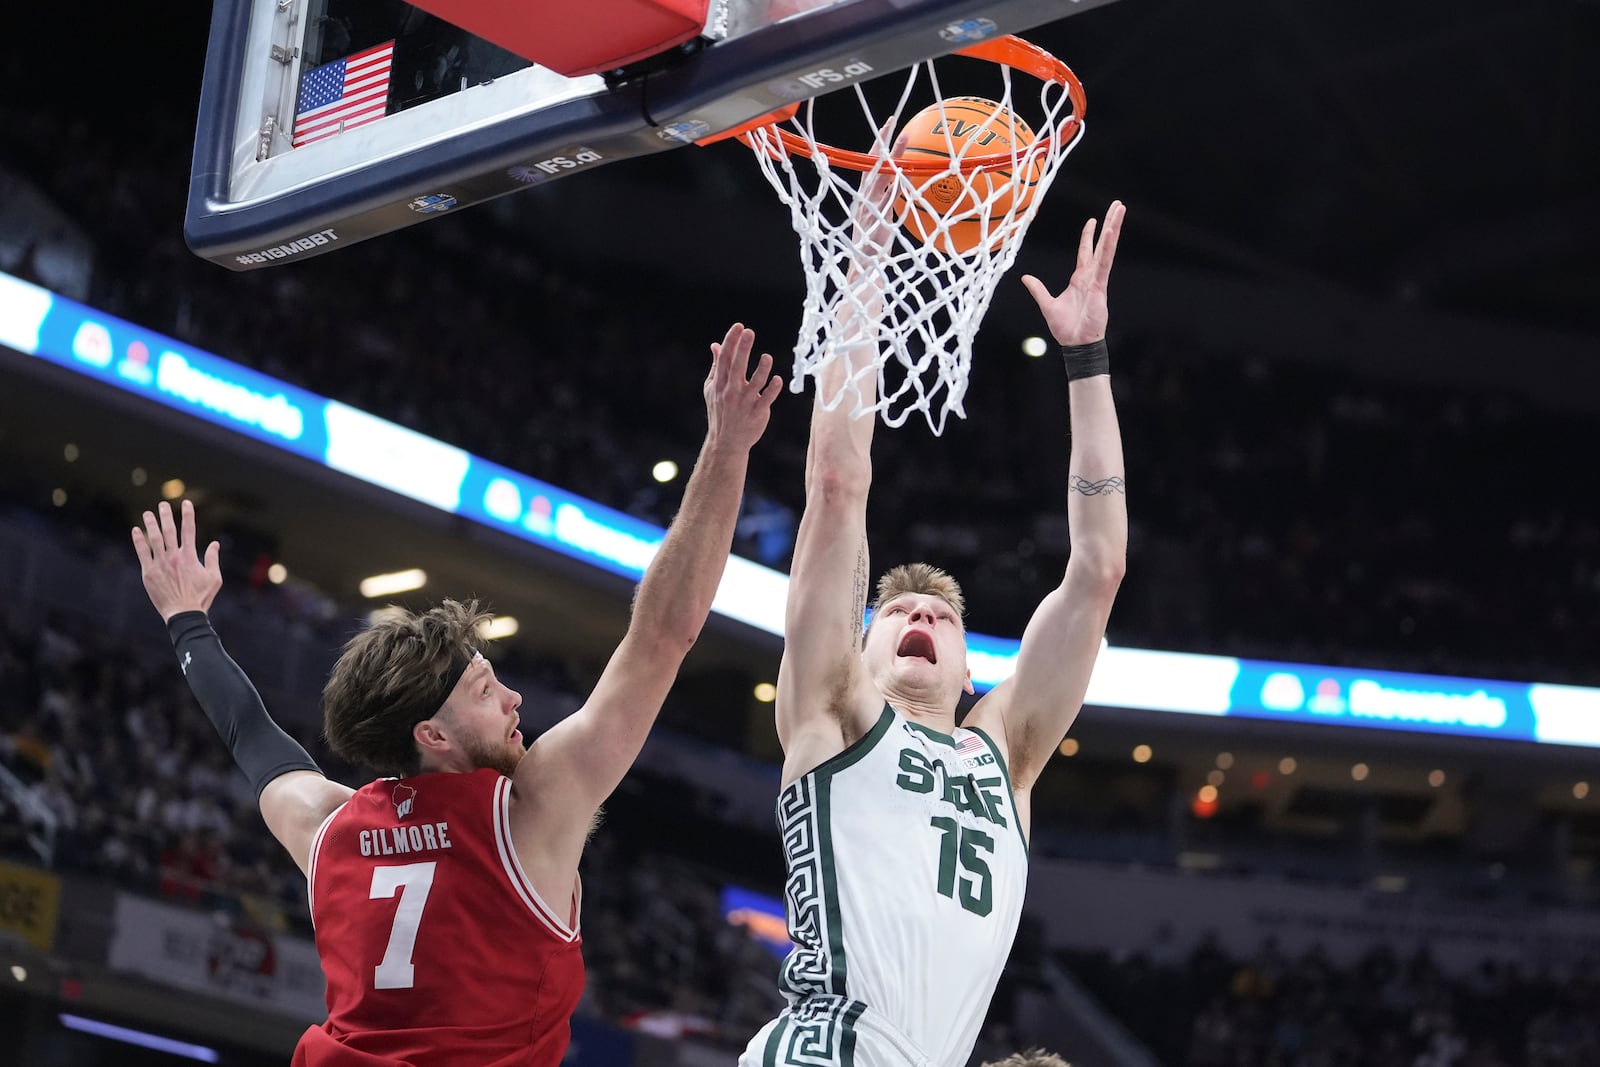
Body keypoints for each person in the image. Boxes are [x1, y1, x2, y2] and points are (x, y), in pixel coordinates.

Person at [131, 324, 782, 1067]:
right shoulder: (529, 810)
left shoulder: (330, 828)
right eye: (484, 687)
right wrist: (728, 449)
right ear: (431, 733)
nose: (514, 700)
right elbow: (663, 633)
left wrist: (189, 623)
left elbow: (250, 734)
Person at [740, 200, 1128, 1067]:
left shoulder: (1006, 748)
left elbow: (1098, 569)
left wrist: (1087, 359)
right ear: (861, 650)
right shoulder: (834, 711)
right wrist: (868, 261)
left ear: (966, 671)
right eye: (900, 614)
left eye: (942, 618)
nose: (922, 618)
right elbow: (839, 480)